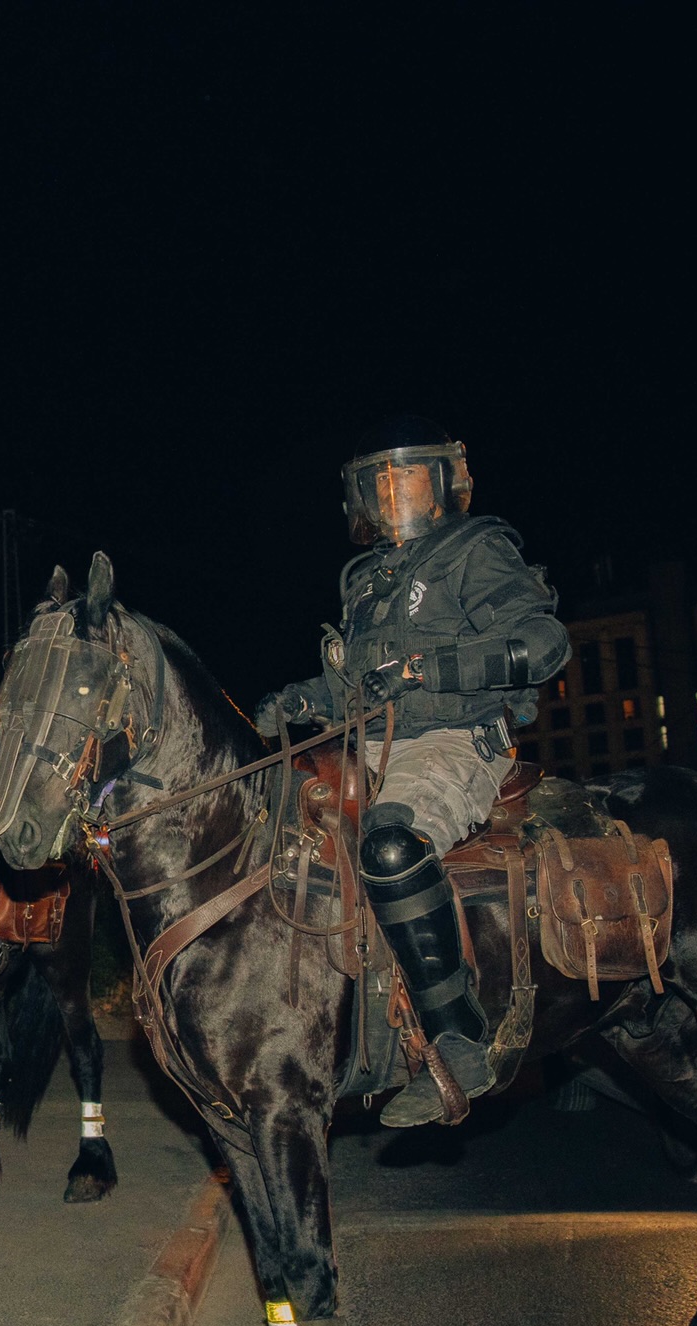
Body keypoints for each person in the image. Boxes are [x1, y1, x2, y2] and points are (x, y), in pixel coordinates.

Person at [256, 417, 568, 1127]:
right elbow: (356, 688)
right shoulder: (367, 581)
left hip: (451, 739)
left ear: (443, 485)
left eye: (409, 479)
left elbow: (545, 642)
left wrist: (436, 667)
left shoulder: (476, 548)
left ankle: (458, 1039)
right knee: (271, 831)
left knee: (391, 847)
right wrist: (303, 698)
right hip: (371, 747)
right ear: (361, 497)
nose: (395, 494)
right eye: (382, 483)